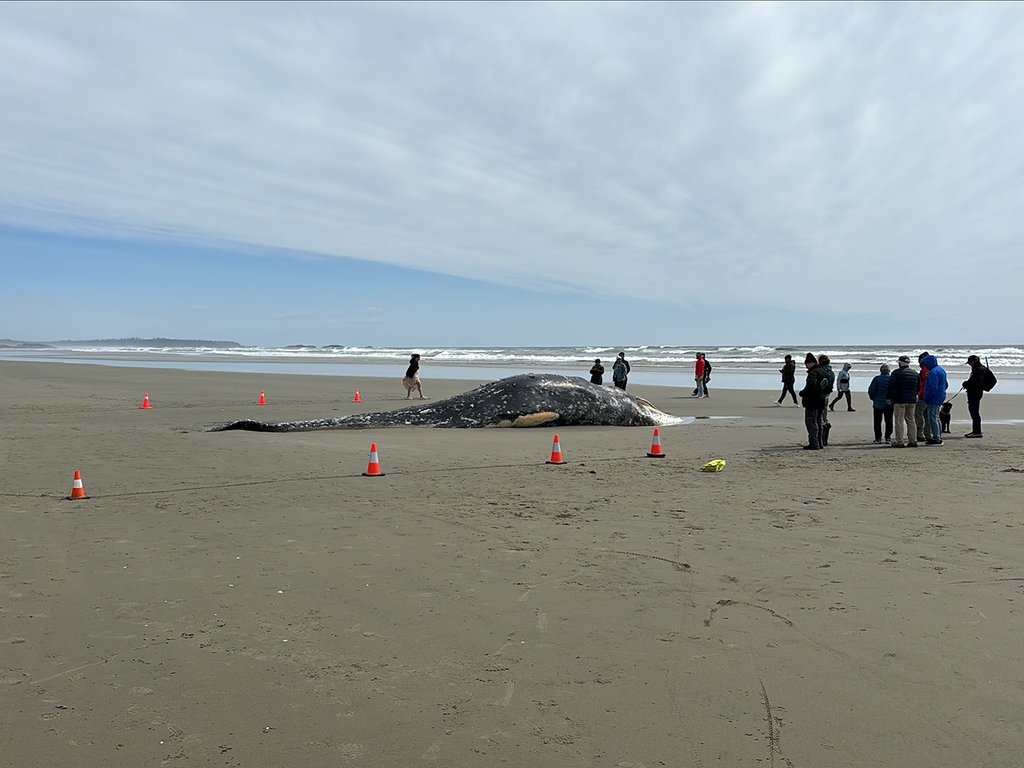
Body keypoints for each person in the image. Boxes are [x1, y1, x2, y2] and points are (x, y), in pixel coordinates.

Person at [885, 355, 919, 447]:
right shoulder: (915, 373)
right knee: (911, 420)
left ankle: (900, 441)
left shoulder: (896, 373)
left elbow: (890, 386)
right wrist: (914, 394)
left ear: (900, 363)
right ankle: (913, 440)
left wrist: (888, 397)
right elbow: (918, 387)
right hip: (912, 400)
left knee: (899, 421)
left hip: (899, 400)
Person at [798, 353, 829, 449]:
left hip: (812, 401)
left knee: (811, 422)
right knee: (819, 422)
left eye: (807, 364)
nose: (806, 366)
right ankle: (820, 443)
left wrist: (802, 393)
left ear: (811, 363)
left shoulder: (813, 373)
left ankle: (814, 443)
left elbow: (811, 386)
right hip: (821, 400)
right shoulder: (824, 372)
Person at [920, 354, 947, 445]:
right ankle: (938, 436)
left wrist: (927, 397)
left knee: (932, 417)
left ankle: (937, 438)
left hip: (934, 398)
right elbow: (946, 385)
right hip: (940, 396)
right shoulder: (941, 370)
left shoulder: (933, 372)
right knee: (936, 416)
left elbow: (933, 387)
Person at [962, 354, 991, 438]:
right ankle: (975, 431)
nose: (969, 364)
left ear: (974, 361)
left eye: (970, 362)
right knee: (973, 411)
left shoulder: (979, 370)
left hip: (975, 393)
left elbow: (978, 382)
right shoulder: (977, 369)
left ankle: (977, 432)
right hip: (974, 392)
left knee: (974, 412)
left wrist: (967, 383)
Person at [867, 364, 894, 444]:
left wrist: (873, 398)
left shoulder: (877, 379)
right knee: (889, 421)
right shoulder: (891, 379)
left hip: (878, 403)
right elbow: (894, 391)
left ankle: (878, 438)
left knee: (877, 421)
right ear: (889, 371)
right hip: (889, 403)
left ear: (881, 371)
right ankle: (888, 438)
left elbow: (871, 390)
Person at [914, 352, 934, 444]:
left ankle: (920, 434)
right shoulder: (932, 370)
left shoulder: (924, 371)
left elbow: (923, 384)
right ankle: (928, 434)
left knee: (918, 413)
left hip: (924, 395)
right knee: (927, 415)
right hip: (930, 395)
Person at [817, 354, 835, 446]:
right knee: (824, 416)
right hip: (827, 394)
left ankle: (821, 440)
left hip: (821, 395)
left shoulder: (821, 371)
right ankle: (825, 440)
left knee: (820, 417)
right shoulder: (831, 372)